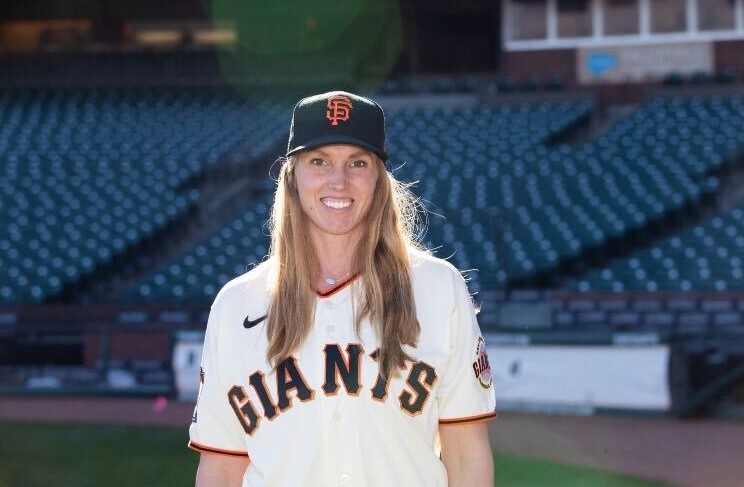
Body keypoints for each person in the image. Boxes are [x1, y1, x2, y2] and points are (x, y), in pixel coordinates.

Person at [188, 91, 496, 487]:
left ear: (379, 180)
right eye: (319, 161)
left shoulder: (438, 288)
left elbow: (467, 454)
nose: (339, 180)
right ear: (293, 176)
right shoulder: (236, 305)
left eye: (358, 163)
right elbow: (221, 468)